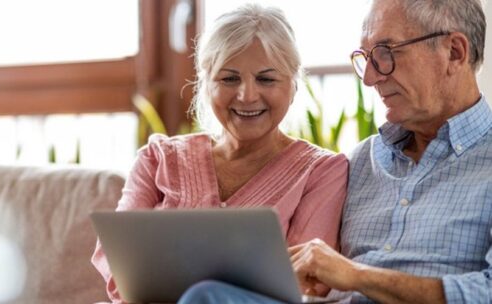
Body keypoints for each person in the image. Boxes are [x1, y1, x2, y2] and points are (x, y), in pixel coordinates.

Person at [179, 0, 492, 303]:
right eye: (365, 58)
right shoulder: (358, 163)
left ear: (454, 52)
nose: (369, 78)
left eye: (385, 53)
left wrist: (358, 276)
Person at [91, 3, 348, 303]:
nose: (247, 95)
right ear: (206, 85)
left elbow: (306, 283)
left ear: (293, 85)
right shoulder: (157, 158)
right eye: (229, 78)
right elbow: (120, 260)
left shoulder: (322, 171)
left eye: (266, 79)